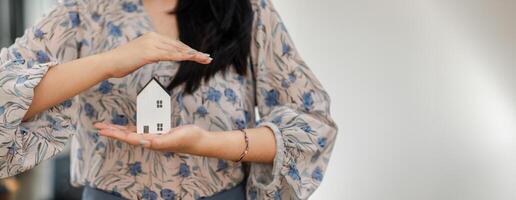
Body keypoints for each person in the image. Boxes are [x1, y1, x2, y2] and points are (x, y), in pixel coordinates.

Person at [0, 0, 338, 199]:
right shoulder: (84, 11)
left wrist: (209, 143)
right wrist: (109, 63)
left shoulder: (247, 9)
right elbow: (6, 96)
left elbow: (310, 126)